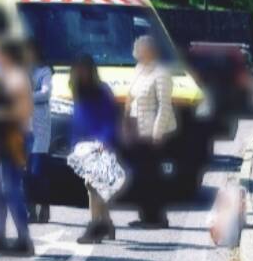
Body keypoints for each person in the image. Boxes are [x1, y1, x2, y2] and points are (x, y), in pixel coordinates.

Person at [0, 39, 35, 256]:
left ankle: (24, 239)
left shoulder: (18, 78)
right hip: (2, 137)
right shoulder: (3, 77)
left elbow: (23, 113)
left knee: (11, 188)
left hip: (16, 137)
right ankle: (0, 235)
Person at [124, 35, 177, 228]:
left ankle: (158, 217)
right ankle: (145, 215)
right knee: (140, 176)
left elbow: (164, 106)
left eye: (140, 49)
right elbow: (131, 97)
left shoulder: (161, 73)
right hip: (137, 130)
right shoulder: (138, 70)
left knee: (154, 176)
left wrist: (157, 134)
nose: (136, 52)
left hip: (154, 134)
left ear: (150, 51)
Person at [69, 54, 120, 244]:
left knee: (92, 184)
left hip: (101, 144)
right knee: (95, 185)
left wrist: (104, 142)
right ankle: (106, 223)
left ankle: (95, 226)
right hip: (85, 146)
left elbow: (110, 119)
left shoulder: (102, 91)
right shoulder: (78, 90)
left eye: (83, 70)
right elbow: (78, 119)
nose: (80, 73)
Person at [27, 40, 53, 224]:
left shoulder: (44, 72)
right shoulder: (21, 71)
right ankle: (30, 211)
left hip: (40, 126)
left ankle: (44, 205)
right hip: (22, 127)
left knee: (37, 171)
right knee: (26, 173)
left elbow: (45, 93)